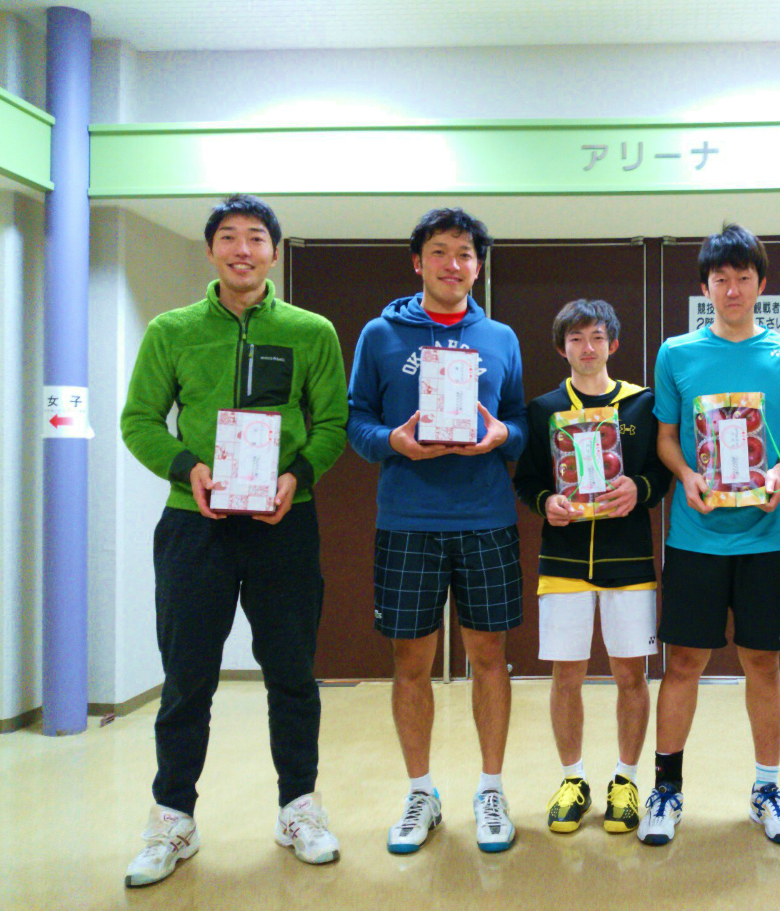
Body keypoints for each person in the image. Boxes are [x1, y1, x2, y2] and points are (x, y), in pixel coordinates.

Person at [119, 194, 349, 887]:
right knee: (187, 677)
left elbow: (331, 423)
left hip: (285, 522)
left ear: (274, 252)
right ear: (211, 249)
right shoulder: (172, 330)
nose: (242, 249)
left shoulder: (311, 331)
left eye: (255, 237)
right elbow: (139, 420)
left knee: (292, 673)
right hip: (196, 525)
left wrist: (297, 475)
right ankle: (173, 819)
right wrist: (185, 468)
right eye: (228, 237)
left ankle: (298, 808)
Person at [347, 207, 527, 854]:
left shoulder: (500, 337)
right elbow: (356, 420)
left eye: (465, 254)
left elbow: (518, 423)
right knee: (411, 662)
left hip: (486, 518)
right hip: (408, 520)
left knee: (489, 657)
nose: (454, 264)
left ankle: (491, 789)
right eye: (441, 252)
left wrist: (504, 436)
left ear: (479, 267)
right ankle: (421, 792)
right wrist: (391, 442)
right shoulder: (381, 334)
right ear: (417, 262)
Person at [637, 223, 780, 847]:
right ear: (705, 287)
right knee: (684, 662)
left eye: (743, 277)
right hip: (695, 536)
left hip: (767, 536)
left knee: (763, 663)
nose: (732, 289)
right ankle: (666, 790)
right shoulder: (677, 353)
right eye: (720, 279)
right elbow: (665, 437)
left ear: (761, 284)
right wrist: (685, 475)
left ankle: (768, 790)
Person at [513, 299, 672, 835]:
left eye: (598, 337)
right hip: (563, 559)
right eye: (577, 339)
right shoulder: (544, 408)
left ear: (613, 344)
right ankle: (572, 779)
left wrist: (638, 489)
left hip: (629, 559)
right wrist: (546, 503)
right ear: (562, 348)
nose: (588, 348)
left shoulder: (642, 404)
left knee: (631, 674)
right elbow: (527, 480)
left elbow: (661, 474)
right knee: (567, 675)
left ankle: (626, 779)